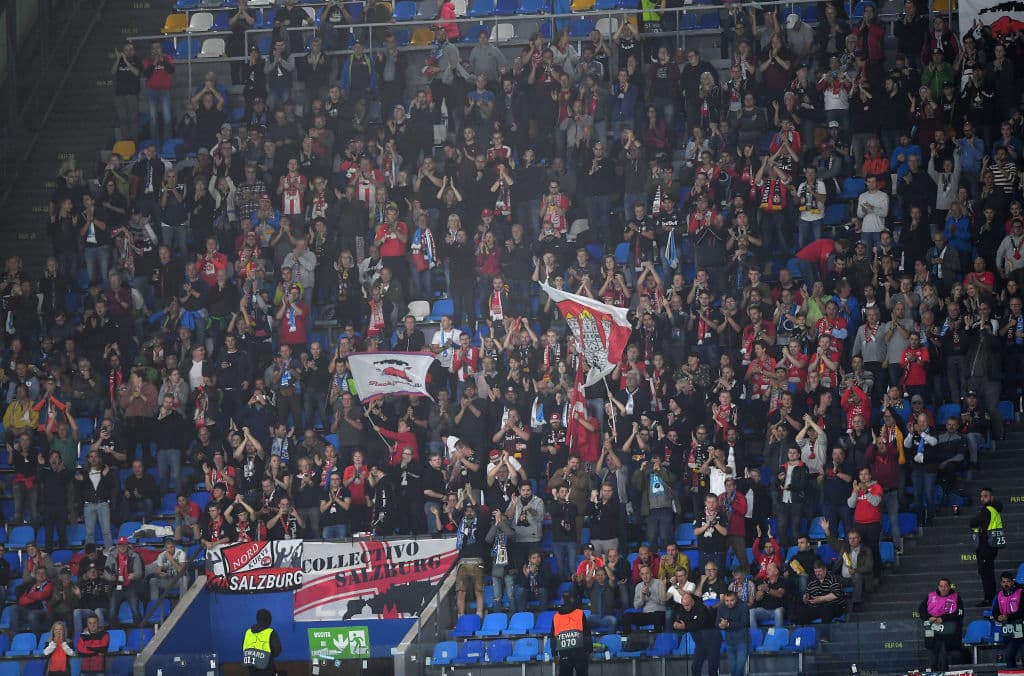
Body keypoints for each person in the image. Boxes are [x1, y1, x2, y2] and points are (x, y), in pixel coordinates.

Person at [970, 486, 1005, 607]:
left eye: (985, 496)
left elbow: (972, 522)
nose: (982, 498)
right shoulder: (995, 510)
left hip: (986, 546)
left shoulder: (987, 510)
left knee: (986, 574)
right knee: (988, 573)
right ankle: (991, 598)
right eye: (981, 496)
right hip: (991, 545)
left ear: (991, 497)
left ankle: (988, 599)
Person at [918, 578, 963, 672]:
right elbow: (921, 610)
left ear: (949, 587)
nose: (943, 588)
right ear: (938, 587)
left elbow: (959, 613)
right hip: (932, 630)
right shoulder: (930, 596)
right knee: (932, 655)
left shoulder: (956, 597)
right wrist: (929, 617)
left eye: (946, 586)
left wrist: (943, 618)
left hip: (949, 631)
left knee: (945, 657)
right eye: (941, 586)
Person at [791, 559, 846, 624]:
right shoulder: (812, 582)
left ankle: (825, 630)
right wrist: (806, 598)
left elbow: (836, 594)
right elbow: (807, 596)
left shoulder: (832, 579)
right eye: (816, 572)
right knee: (802, 611)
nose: (818, 574)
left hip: (834, 605)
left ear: (825, 570)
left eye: (820, 571)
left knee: (826, 609)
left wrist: (821, 599)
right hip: (817, 606)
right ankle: (804, 629)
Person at [552, 591, 592, 676]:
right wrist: (589, 650)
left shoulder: (556, 616)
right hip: (580, 652)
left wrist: (554, 654)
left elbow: (553, 637)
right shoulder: (580, 613)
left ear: (562, 600)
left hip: (564, 653)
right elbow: (587, 633)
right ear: (572, 599)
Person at [994, 571, 1024, 667]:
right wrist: (998, 617)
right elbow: (995, 611)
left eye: (1008, 581)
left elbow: (1022, 611)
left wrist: (1008, 616)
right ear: (1001, 583)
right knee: (1009, 656)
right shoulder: (999, 595)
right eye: (1003, 582)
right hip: (1008, 631)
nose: (1006, 584)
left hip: (1022, 629)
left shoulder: (1021, 592)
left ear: (1012, 582)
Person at [717, 589, 750, 676]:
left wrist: (727, 624)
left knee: (739, 670)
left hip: (742, 641)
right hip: (729, 642)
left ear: (736, 599)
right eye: (727, 601)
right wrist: (721, 625)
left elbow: (744, 623)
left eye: (732, 600)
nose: (729, 603)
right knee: (733, 670)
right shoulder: (721, 607)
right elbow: (717, 623)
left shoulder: (743, 606)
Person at [242, 608, 282, 675]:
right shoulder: (270, 632)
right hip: (267, 670)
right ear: (269, 620)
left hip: (252, 670)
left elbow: (244, 649)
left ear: (257, 619)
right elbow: (277, 651)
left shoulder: (248, 632)